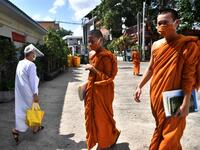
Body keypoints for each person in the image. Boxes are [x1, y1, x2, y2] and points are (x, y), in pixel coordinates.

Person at [134, 8, 200, 150]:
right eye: (159, 23)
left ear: (177, 23)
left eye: (165, 22)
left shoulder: (188, 45)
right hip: (157, 97)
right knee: (163, 131)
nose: (161, 26)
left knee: (169, 140)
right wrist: (139, 86)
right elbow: (151, 68)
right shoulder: (156, 45)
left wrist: (186, 102)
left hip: (177, 100)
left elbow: (188, 77)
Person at [84, 30, 120, 150]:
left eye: (92, 41)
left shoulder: (106, 56)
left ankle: (103, 144)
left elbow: (109, 77)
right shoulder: (93, 54)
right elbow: (93, 76)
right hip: (93, 91)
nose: (90, 44)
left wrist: (93, 70)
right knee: (94, 118)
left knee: (102, 119)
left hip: (104, 92)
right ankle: (113, 134)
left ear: (100, 40)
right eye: (88, 41)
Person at [12, 44, 44, 144]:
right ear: (30, 54)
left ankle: (19, 130)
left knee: (22, 111)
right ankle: (35, 128)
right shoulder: (31, 65)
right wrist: (35, 94)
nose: (34, 56)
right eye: (34, 54)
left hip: (20, 93)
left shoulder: (20, 63)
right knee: (34, 109)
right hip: (28, 92)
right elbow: (32, 81)